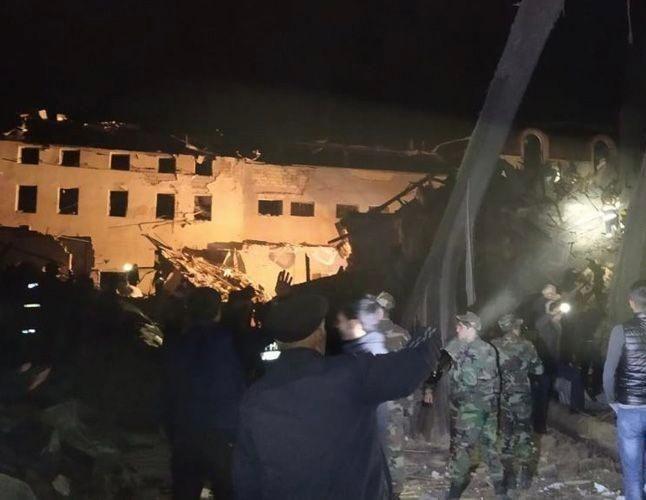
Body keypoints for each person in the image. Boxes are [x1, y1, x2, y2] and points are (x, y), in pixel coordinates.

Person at [233, 293, 440, 500]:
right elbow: (412, 366)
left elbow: (246, 480)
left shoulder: (254, 398)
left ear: (278, 341)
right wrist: (427, 336)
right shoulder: (351, 374)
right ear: (320, 332)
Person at [162, 287, 245, 500]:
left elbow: (168, 392)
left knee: (185, 490)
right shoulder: (231, 342)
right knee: (227, 490)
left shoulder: (176, 344)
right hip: (222, 434)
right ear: (218, 311)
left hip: (186, 433)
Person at [424, 311, 506, 499]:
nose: (456, 329)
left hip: (475, 408)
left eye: (460, 326)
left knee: (465, 449)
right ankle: (500, 489)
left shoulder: (485, 349)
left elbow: (475, 379)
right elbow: (438, 367)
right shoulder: (457, 345)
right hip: (480, 406)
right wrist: (429, 386)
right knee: (487, 447)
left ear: (471, 328)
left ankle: (454, 494)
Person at [603, 281, 646, 500]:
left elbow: (608, 373)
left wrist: (612, 401)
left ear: (631, 302)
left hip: (629, 409)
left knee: (633, 475)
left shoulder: (620, 331)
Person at [491, 314, 544, 490]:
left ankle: (508, 474)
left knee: (504, 434)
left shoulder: (494, 345)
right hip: (522, 397)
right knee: (524, 434)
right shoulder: (527, 345)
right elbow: (539, 370)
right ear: (515, 327)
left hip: (501, 397)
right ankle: (525, 473)